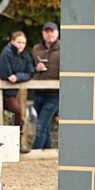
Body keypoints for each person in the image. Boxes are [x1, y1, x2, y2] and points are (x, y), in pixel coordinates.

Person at [0, 31, 35, 153]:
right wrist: (13, 76)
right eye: (19, 42)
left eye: (23, 42)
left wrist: (17, 77)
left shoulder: (25, 55)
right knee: (16, 112)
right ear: (12, 41)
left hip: (11, 93)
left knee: (18, 113)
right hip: (0, 92)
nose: (21, 45)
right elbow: (5, 74)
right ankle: (10, 143)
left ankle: (16, 143)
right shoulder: (6, 53)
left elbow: (30, 73)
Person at [31, 22, 61, 150]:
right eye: (47, 32)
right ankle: (47, 152)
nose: (49, 34)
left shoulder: (64, 48)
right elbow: (29, 68)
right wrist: (35, 68)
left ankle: (35, 151)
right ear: (43, 34)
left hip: (55, 94)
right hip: (38, 93)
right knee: (46, 127)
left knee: (41, 126)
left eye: (52, 31)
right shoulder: (36, 49)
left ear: (57, 33)